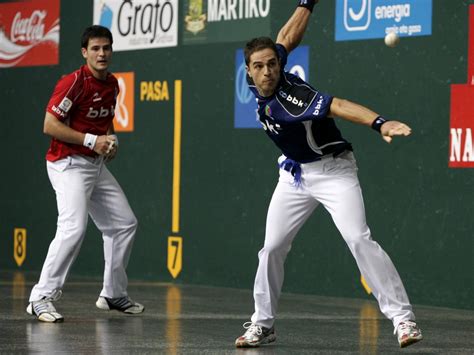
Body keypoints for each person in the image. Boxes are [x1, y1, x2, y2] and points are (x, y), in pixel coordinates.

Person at [235, 0, 422, 349]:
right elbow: (287, 36)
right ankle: (263, 324)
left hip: (334, 171)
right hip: (293, 174)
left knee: (358, 238)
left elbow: (337, 106)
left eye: (272, 65)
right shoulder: (265, 72)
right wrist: (308, 3)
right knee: (272, 247)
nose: (268, 72)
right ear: (248, 71)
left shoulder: (294, 98)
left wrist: (378, 122)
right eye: (259, 66)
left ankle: (403, 319)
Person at [26, 25, 144, 323]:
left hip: (94, 165)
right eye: (95, 49)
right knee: (73, 229)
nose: (102, 53)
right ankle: (41, 297)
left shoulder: (113, 84)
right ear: (84, 52)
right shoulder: (73, 83)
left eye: (106, 48)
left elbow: (104, 122)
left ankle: (113, 293)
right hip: (67, 164)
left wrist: (110, 141)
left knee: (124, 224)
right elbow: (49, 125)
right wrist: (93, 141)